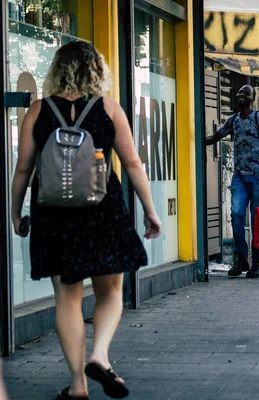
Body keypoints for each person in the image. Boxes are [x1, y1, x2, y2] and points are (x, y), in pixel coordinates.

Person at [10, 41, 161, 400]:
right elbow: (133, 164)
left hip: (52, 214)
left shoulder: (37, 111)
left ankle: (77, 386)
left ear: (58, 70)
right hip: (102, 209)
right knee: (111, 290)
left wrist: (15, 213)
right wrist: (150, 211)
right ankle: (100, 356)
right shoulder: (108, 108)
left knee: (67, 298)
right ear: (97, 71)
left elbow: (23, 170)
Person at [206, 85, 259, 278]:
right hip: (240, 176)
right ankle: (241, 259)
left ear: (252, 98)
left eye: (246, 93)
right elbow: (216, 137)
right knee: (236, 214)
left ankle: (258, 263)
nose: (241, 95)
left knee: (256, 220)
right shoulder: (233, 120)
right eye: (239, 92)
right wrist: (197, 141)